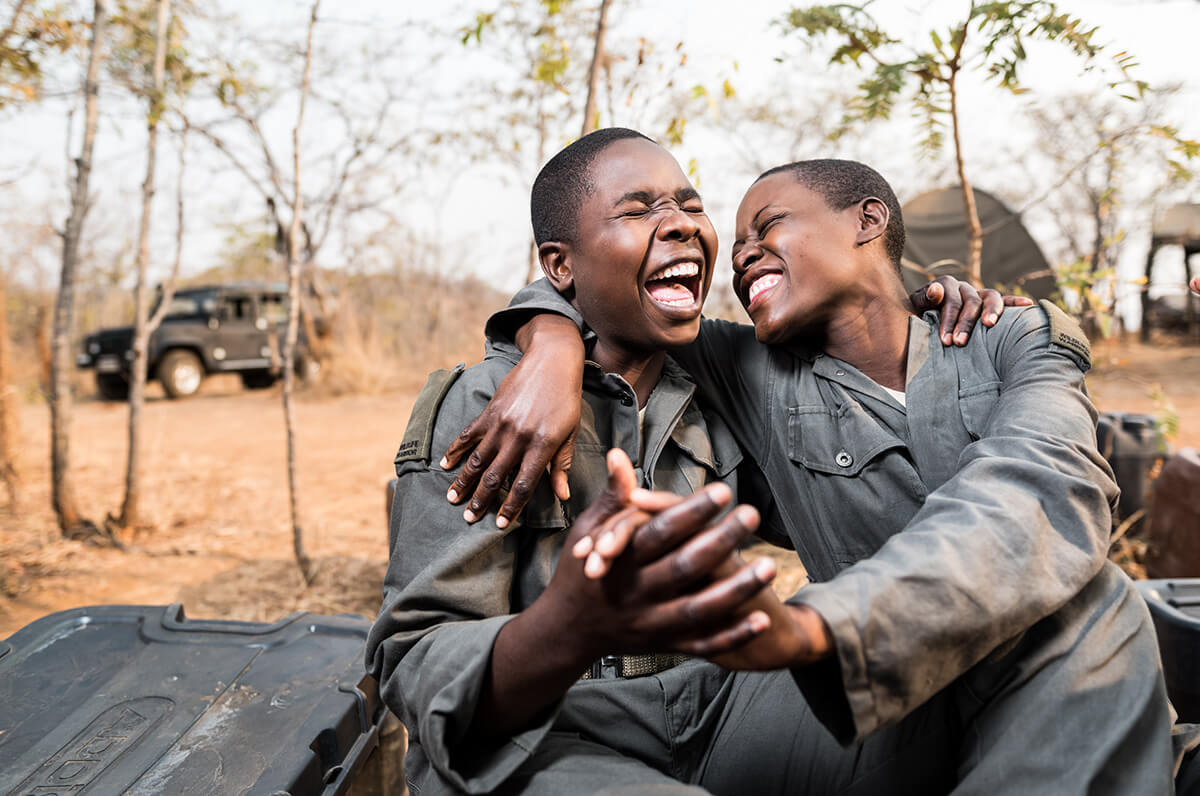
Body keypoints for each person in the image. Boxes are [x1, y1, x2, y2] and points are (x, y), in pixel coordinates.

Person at [448, 151, 1179, 792]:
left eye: (767, 227)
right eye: (735, 246)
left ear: (867, 220)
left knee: (1083, 599)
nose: (740, 256)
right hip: (879, 686)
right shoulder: (747, 370)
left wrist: (814, 627)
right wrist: (546, 340)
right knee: (1095, 604)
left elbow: (1044, 479)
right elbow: (609, 290)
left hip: (966, 662)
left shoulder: (1012, 335)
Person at [367, 129, 1007, 795]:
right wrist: (568, 627)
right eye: (639, 210)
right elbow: (413, 664)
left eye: (689, 206)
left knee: (951, 687)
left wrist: (937, 329)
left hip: (717, 711)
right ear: (560, 266)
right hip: (549, 735)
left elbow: (862, 495)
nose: (680, 225)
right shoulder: (493, 402)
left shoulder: (723, 388)